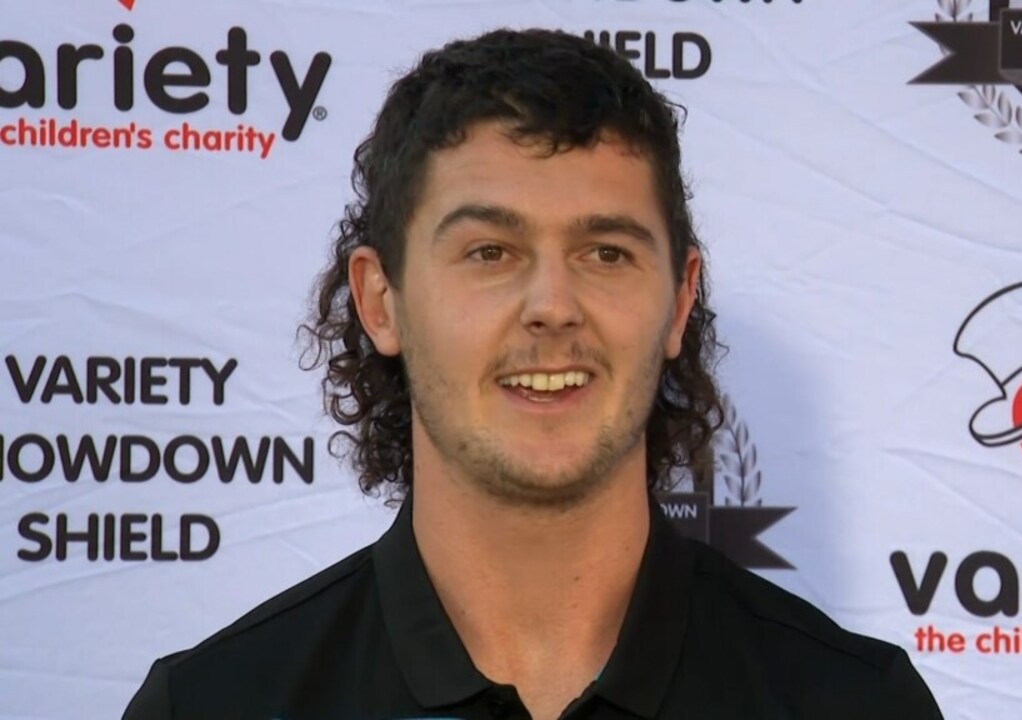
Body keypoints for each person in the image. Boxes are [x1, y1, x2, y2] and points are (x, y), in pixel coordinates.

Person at [123, 28, 944, 720]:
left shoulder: (857, 706)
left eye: (606, 253)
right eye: (490, 252)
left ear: (679, 301)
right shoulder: (212, 706)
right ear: (380, 301)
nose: (553, 305)